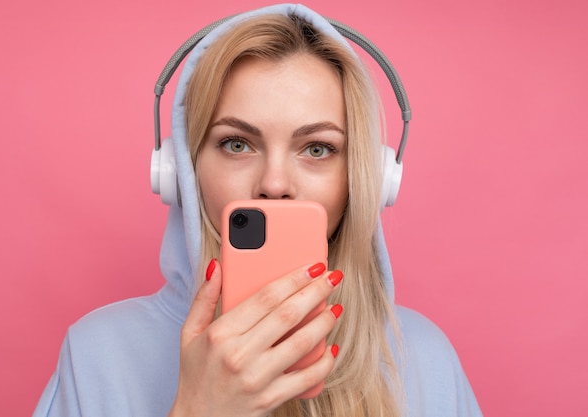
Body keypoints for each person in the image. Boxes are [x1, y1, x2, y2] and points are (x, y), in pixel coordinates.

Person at [33, 4, 483, 417]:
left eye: (318, 148)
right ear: (181, 171)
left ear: (366, 179)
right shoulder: (97, 354)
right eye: (236, 143)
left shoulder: (424, 358)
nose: (274, 184)